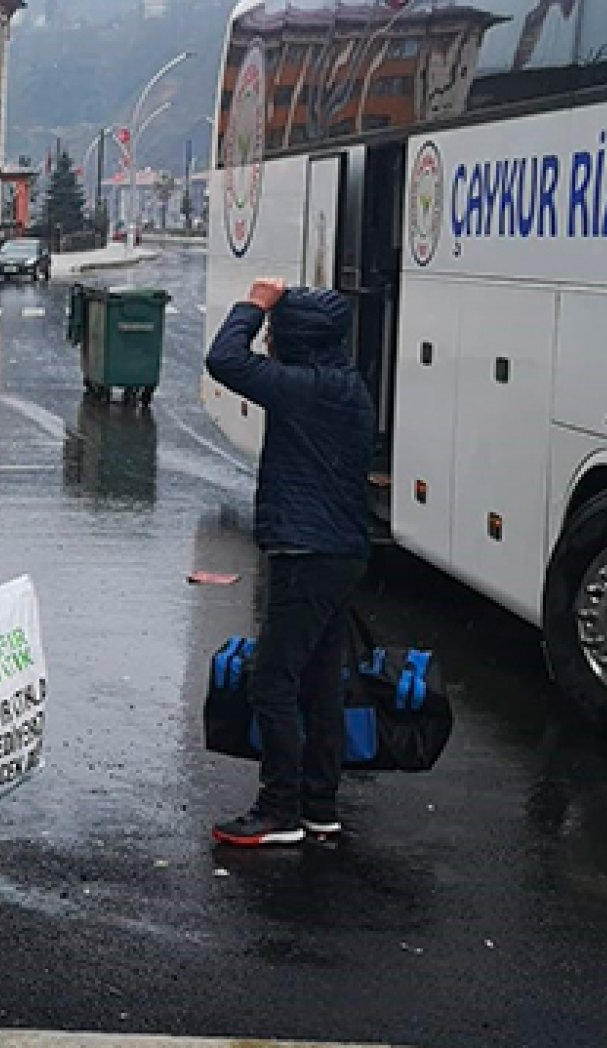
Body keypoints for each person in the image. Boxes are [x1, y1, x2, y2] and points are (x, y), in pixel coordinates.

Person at [204, 278, 375, 846]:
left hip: (306, 555)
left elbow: (224, 359)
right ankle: (319, 807)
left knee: (273, 683)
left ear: (298, 338)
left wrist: (252, 303)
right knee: (319, 684)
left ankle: (277, 810)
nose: (270, 340)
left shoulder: (304, 388)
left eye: (278, 331)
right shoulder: (341, 384)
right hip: (337, 552)